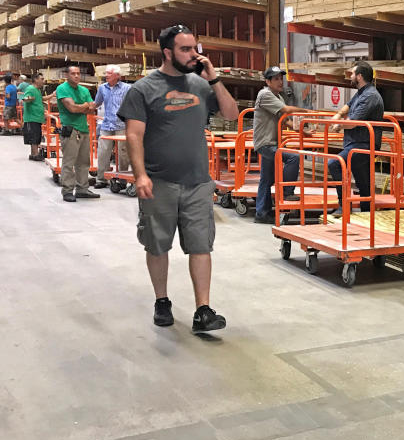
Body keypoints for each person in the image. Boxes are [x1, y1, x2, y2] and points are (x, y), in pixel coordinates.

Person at [117, 24, 239, 334]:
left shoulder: (201, 85)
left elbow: (232, 113)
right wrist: (140, 175)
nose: (193, 54)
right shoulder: (143, 89)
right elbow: (134, 134)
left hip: (198, 181)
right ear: (168, 52)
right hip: (159, 182)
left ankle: (203, 310)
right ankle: (162, 301)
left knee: (201, 246)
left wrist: (214, 78)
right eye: (185, 49)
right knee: (157, 245)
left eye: (195, 48)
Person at [253, 66, 314, 224]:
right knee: (294, 158)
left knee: (266, 179)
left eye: (281, 78)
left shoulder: (278, 97)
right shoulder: (265, 94)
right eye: (276, 79)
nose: (280, 82)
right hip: (266, 143)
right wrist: (307, 111)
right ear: (268, 81)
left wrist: (303, 132)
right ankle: (287, 192)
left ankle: (262, 213)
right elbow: (286, 110)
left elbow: (285, 120)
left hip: (272, 142)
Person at [327, 61, 383, 214]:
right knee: (363, 182)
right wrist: (338, 115)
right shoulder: (361, 93)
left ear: (359, 76)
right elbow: (348, 106)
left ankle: (344, 205)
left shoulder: (370, 96)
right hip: (355, 143)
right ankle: (367, 212)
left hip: (364, 144)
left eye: (352, 73)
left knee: (335, 163)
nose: (350, 76)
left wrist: (338, 125)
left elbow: (353, 123)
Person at [56, 66, 99, 202]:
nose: (76, 76)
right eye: (73, 73)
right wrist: (85, 105)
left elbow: (92, 109)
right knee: (69, 161)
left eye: (78, 73)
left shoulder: (84, 90)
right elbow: (72, 108)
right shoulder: (62, 89)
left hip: (84, 129)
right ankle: (67, 190)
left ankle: (82, 189)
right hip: (70, 129)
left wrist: (82, 107)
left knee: (84, 162)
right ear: (67, 75)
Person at [93, 64, 131, 188]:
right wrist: (84, 107)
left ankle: (122, 179)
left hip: (122, 125)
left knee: (123, 153)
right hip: (106, 124)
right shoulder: (102, 88)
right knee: (103, 152)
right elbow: (97, 103)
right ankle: (101, 179)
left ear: (117, 76)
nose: (106, 75)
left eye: (109, 73)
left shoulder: (127, 88)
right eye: (106, 73)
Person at [19, 73, 46, 161]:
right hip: (32, 117)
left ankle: (33, 154)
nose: (43, 81)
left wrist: (52, 95)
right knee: (34, 136)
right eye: (41, 79)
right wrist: (27, 99)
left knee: (36, 135)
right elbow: (26, 98)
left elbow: (41, 99)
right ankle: (35, 154)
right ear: (36, 80)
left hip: (36, 117)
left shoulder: (37, 90)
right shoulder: (31, 88)